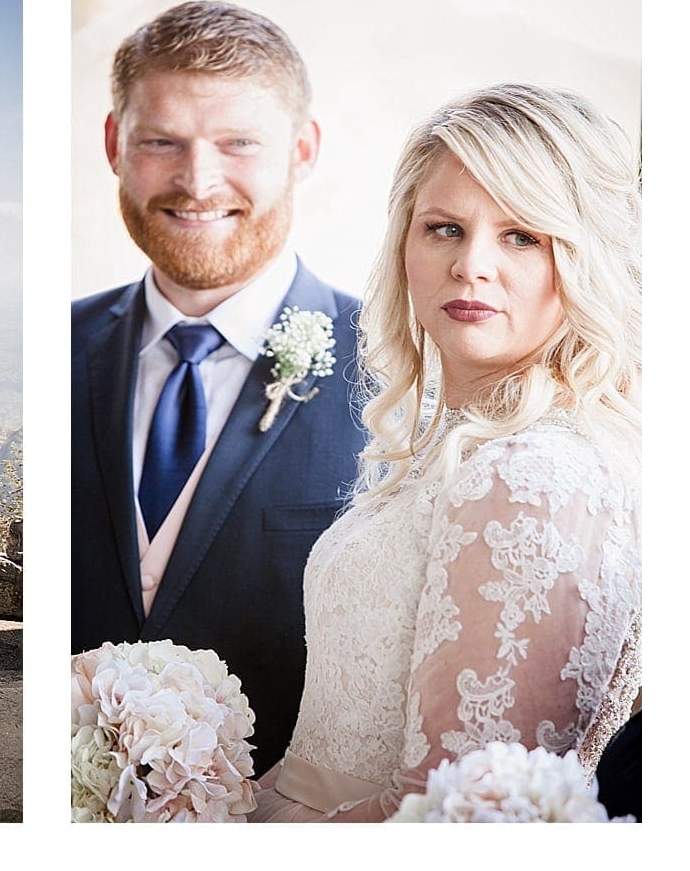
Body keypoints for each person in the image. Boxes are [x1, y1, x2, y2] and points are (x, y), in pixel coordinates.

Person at [252, 84, 641, 821]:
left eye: (522, 235)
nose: (472, 265)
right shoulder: (457, 442)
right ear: (405, 243)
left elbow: (443, 819)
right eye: (444, 228)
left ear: (584, 256)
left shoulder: (532, 477)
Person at [70, 0, 366, 775]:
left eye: (238, 144)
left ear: (303, 150)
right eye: (162, 142)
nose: (197, 182)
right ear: (114, 144)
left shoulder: (399, 373)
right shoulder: (59, 341)